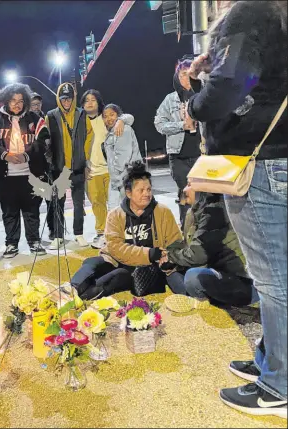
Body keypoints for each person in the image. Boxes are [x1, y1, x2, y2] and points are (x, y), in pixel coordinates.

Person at [186, 0, 287, 417]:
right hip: (277, 157)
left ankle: (278, 384)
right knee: (278, 274)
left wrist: (193, 101)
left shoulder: (252, 11)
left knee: (273, 280)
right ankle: (270, 359)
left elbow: (227, 90)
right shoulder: (276, 16)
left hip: (257, 163)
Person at [71, 161, 181, 300]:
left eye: (149, 189)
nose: (146, 194)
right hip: (118, 261)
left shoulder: (162, 212)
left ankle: (80, 298)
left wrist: (166, 257)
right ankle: (71, 289)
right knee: (92, 263)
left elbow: (175, 242)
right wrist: (149, 253)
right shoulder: (115, 215)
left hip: (147, 269)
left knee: (117, 276)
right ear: (128, 193)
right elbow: (115, 248)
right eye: (141, 190)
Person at [161, 185, 258, 311]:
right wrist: (168, 255)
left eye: (190, 184)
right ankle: (199, 299)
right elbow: (188, 244)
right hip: (216, 272)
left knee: (192, 278)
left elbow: (198, 255)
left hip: (242, 281)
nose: (184, 189)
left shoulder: (215, 211)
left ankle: (205, 302)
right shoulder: (195, 212)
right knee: (171, 275)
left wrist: (172, 257)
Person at [0, 83, 49, 258]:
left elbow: (43, 141)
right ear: (5, 100)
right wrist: (4, 155)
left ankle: (34, 241)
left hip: (31, 174)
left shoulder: (35, 119)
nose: (17, 104)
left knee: (32, 209)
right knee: (9, 211)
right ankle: (11, 244)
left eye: (21, 101)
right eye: (13, 100)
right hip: (5, 176)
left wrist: (27, 155)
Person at [80, 89, 135, 248]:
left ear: (98, 102)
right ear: (82, 105)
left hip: (110, 170)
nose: (90, 103)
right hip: (92, 171)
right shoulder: (81, 122)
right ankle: (101, 232)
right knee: (97, 203)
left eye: (93, 100)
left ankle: (119, 231)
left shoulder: (106, 118)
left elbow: (128, 117)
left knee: (117, 203)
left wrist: (121, 120)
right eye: (86, 100)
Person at [46, 82, 93, 249]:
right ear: (59, 99)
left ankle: (78, 234)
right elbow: (46, 141)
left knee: (79, 204)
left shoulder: (82, 114)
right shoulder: (51, 116)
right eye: (63, 98)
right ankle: (58, 236)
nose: (66, 102)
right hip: (59, 168)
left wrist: (84, 158)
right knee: (58, 203)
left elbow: (89, 136)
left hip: (78, 167)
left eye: (69, 99)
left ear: (73, 99)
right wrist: (50, 161)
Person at [154, 58, 202, 225]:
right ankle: (187, 232)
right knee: (185, 195)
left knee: (204, 196)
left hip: (202, 156)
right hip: (179, 157)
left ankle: (206, 233)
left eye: (191, 74)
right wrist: (182, 125)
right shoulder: (170, 100)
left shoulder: (203, 95)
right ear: (177, 77)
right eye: (183, 74)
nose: (187, 78)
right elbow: (159, 124)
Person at [102, 103, 143, 210]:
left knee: (131, 215)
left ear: (118, 115)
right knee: (117, 216)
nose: (108, 119)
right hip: (119, 181)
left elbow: (121, 160)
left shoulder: (122, 129)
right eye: (105, 116)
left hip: (127, 180)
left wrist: (117, 181)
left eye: (112, 114)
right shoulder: (111, 133)